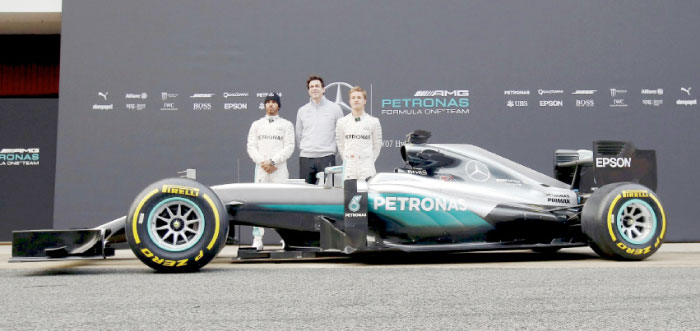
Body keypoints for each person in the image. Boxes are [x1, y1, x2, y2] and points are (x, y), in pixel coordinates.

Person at [246, 93, 294, 250]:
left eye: (274, 102)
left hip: (279, 169)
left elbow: (289, 147)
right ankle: (257, 239)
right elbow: (251, 147)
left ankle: (286, 238)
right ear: (265, 105)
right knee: (259, 204)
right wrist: (263, 162)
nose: (271, 105)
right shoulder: (256, 125)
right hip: (261, 169)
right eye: (268, 102)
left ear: (278, 106)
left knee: (282, 204)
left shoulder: (286, 125)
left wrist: (273, 161)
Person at [296, 75, 345, 184]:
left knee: (328, 193)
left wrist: (331, 151)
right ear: (308, 91)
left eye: (317, 86)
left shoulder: (335, 109)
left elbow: (341, 134)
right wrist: (308, 149)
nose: (314, 89)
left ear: (323, 89)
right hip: (306, 158)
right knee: (305, 194)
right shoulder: (302, 111)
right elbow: (299, 135)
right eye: (311, 87)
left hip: (327, 157)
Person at [335, 86, 382, 181]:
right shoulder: (342, 122)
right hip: (349, 166)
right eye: (353, 98)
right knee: (349, 194)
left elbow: (377, 145)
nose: (356, 100)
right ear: (349, 101)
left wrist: (369, 161)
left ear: (364, 101)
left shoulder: (373, 121)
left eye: (359, 98)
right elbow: (340, 143)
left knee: (367, 194)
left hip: (367, 166)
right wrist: (347, 160)